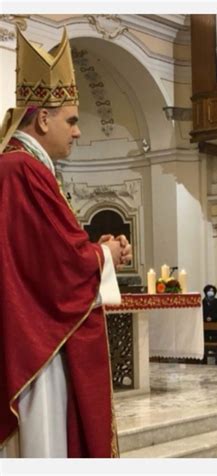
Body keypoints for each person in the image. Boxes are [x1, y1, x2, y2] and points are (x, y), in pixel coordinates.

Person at [0, 29, 132, 458]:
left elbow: (45, 252)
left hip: (33, 332)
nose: (77, 132)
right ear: (42, 119)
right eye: (72, 120)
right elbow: (56, 269)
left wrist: (94, 250)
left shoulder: (24, 168)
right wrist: (104, 255)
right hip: (35, 344)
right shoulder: (22, 170)